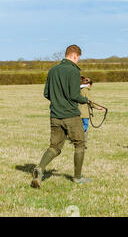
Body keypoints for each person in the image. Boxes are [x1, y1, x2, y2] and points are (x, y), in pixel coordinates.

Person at [32, 44, 91, 188]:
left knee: (55, 147)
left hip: (55, 116)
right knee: (79, 144)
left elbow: (46, 93)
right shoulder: (73, 71)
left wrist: (58, 102)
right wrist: (86, 100)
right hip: (71, 115)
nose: (78, 62)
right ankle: (77, 178)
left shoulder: (53, 70)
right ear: (75, 56)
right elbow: (74, 95)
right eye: (78, 59)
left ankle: (40, 169)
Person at [79, 76, 104, 144]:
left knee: (82, 125)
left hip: (78, 110)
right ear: (89, 84)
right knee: (85, 125)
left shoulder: (80, 89)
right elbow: (90, 101)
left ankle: (82, 140)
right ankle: (77, 136)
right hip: (85, 111)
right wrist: (97, 107)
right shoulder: (86, 90)